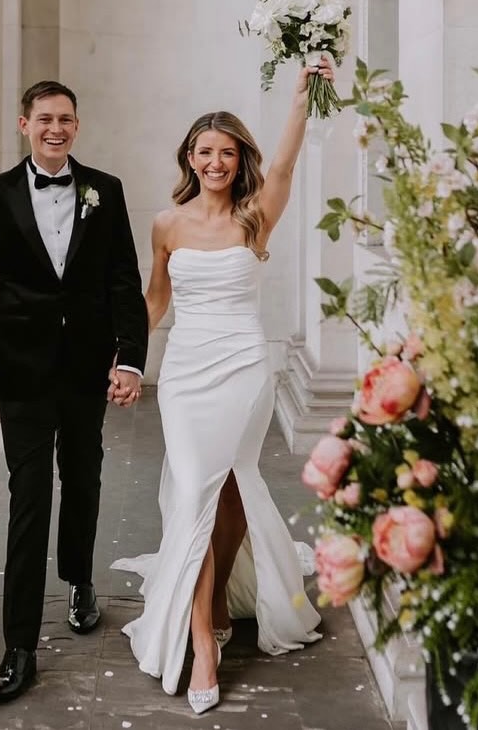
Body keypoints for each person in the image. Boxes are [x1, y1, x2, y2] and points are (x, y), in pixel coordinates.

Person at [110, 61, 332, 712]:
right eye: (205, 152)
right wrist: (119, 354)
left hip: (242, 368)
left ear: (240, 162)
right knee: (195, 494)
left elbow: (287, 168)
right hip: (183, 372)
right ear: (189, 157)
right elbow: (155, 304)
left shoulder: (255, 216)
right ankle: (204, 636)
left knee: (228, 490)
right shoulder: (166, 224)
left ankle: (216, 610)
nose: (215, 162)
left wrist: (300, 99)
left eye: (227, 153)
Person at [0, 80, 148, 704]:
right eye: (44, 119)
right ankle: (18, 646)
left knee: (85, 478)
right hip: (24, 373)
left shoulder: (106, 191)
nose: (55, 129)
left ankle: (80, 582)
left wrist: (131, 360)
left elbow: (125, 278)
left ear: (77, 126)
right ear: (24, 124)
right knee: (29, 497)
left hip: (88, 368)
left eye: (65, 119)